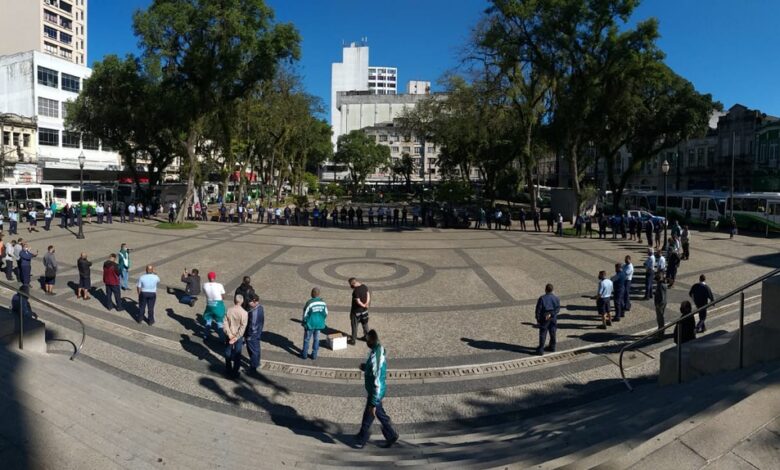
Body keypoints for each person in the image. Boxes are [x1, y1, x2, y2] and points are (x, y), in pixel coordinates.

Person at [354, 329, 398, 449]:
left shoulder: (376, 358)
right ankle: (363, 435)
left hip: (376, 393)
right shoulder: (378, 349)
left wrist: (373, 402)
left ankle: (364, 438)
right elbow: (375, 369)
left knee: (372, 412)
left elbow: (377, 381)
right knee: (374, 413)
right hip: (375, 392)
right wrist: (365, 367)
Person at [223, 295, 248, 378]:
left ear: (234, 300)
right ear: (242, 301)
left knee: (228, 351)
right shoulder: (244, 313)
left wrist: (229, 334)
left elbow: (225, 323)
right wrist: (237, 337)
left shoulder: (229, 310)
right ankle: (235, 371)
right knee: (237, 353)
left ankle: (228, 369)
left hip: (229, 335)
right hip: (238, 336)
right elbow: (242, 327)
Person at [301, 287, 328, 360]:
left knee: (307, 339)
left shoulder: (309, 303)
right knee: (316, 339)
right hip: (319, 325)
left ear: (312, 294)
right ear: (319, 294)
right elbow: (325, 313)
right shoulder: (323, 303)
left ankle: (304, 354)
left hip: (310, 324)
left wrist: (304, 323)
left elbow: (305, 314)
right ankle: (314, 355)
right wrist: (323, 321)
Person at [534, 284, 560, 355]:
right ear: (552, 290)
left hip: (544, 318)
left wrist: (538, 319)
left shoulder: (542, 298)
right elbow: (557, 309)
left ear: (545, 289)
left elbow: (538, 310)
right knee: (553, 333)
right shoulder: (556, 298)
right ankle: (552, 347)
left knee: (543, 334)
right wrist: (551, 314)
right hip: (553, 318)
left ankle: (541, 349)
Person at [202, 271, 227, 340]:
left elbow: (205, 292)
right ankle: (222, 339)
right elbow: (223, 297)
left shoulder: (204, 285)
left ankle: (205, 335)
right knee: (219, 323)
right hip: (218, 306)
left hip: (209, 305)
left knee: (208, 321)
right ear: (215, 277)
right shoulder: (219, 285)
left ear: (208, 277)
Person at [244, 294, 264, 371]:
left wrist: (248, 336)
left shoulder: (254, 312)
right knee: (257, 349)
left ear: (254, 301)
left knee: (253, 351)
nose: (248, 303)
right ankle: (257, 362)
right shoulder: (260, 307)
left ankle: (253, 367)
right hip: (258, 333)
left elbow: (252, 327)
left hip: (252, 335)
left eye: (249, 301)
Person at [348, 277, 370, 345]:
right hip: (364, 311)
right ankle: (367, 338)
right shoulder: (364, 286)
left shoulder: (356, 291)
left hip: (356, 312)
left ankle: (353, 340)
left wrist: (363, 305)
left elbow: (358, 301)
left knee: (354, 325)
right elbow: (368, 295)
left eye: (350, 285)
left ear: (352, 284)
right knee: (365, 324)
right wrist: (366, 303)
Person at [653, 273, 668, 337]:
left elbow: (661, 296)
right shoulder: (663, 284)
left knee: (660, 318)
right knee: (661, 317)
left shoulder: (660, 285)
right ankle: (661, 329)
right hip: (664, 302)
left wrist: (658, 304)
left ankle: (661, 331)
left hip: (660, 304)